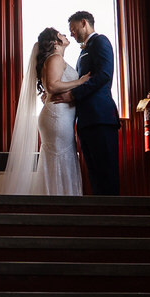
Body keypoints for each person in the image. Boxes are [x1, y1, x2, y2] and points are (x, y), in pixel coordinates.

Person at [1, 27, 83, 196]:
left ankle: (58, 202)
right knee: (60, 158)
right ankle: (61, 204)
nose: (66, 35)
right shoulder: (56, 58)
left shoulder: (54, 59)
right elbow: (52, 86)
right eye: (61, 34)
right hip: (58, 116)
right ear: (55, 42)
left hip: (59, 115)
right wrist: (81, 81)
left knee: (58, 158)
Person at [50, 10, 122, 195]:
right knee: (95, 175)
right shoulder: (84, 51)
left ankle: (113, 216)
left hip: (101, 118)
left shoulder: (100, 41)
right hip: (85, 122)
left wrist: (73, 95)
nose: (71, 33)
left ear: (84, 23)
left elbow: (104, 75)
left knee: (107, 173)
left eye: (73, 29)